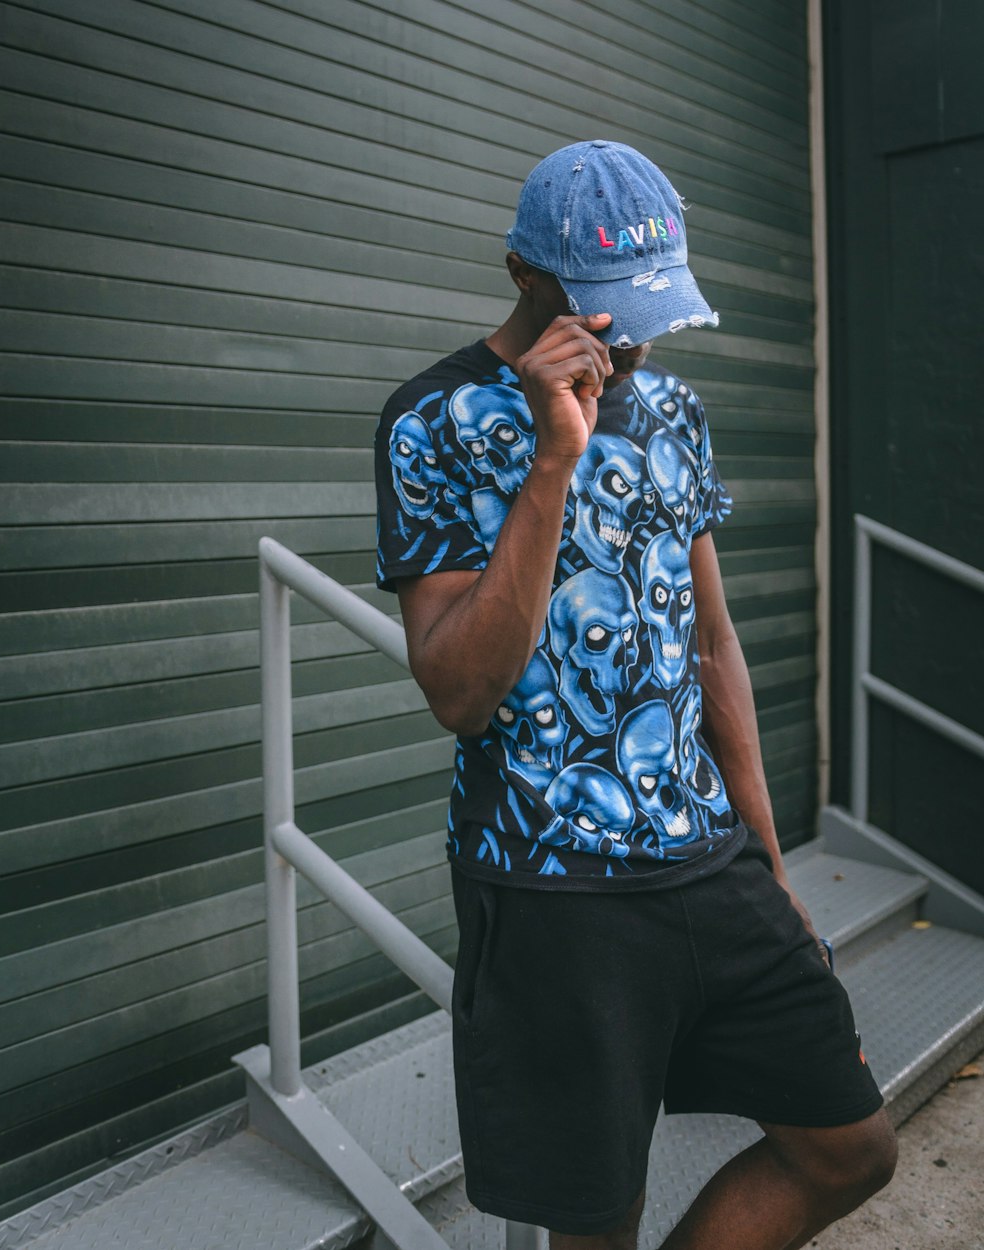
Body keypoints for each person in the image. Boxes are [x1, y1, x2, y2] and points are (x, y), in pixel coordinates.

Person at [373, 141, 896, 1250]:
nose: (641, 333)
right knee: (594, 1222)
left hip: (708, 860)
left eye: (656, 301)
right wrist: (553, 461)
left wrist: (767, 860)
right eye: (612, 307)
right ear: (524, 275)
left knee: (851, 1145)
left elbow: (710, 644)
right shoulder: (430, 423)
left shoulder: (672, 407)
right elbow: (461, 693)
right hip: (552, 891)